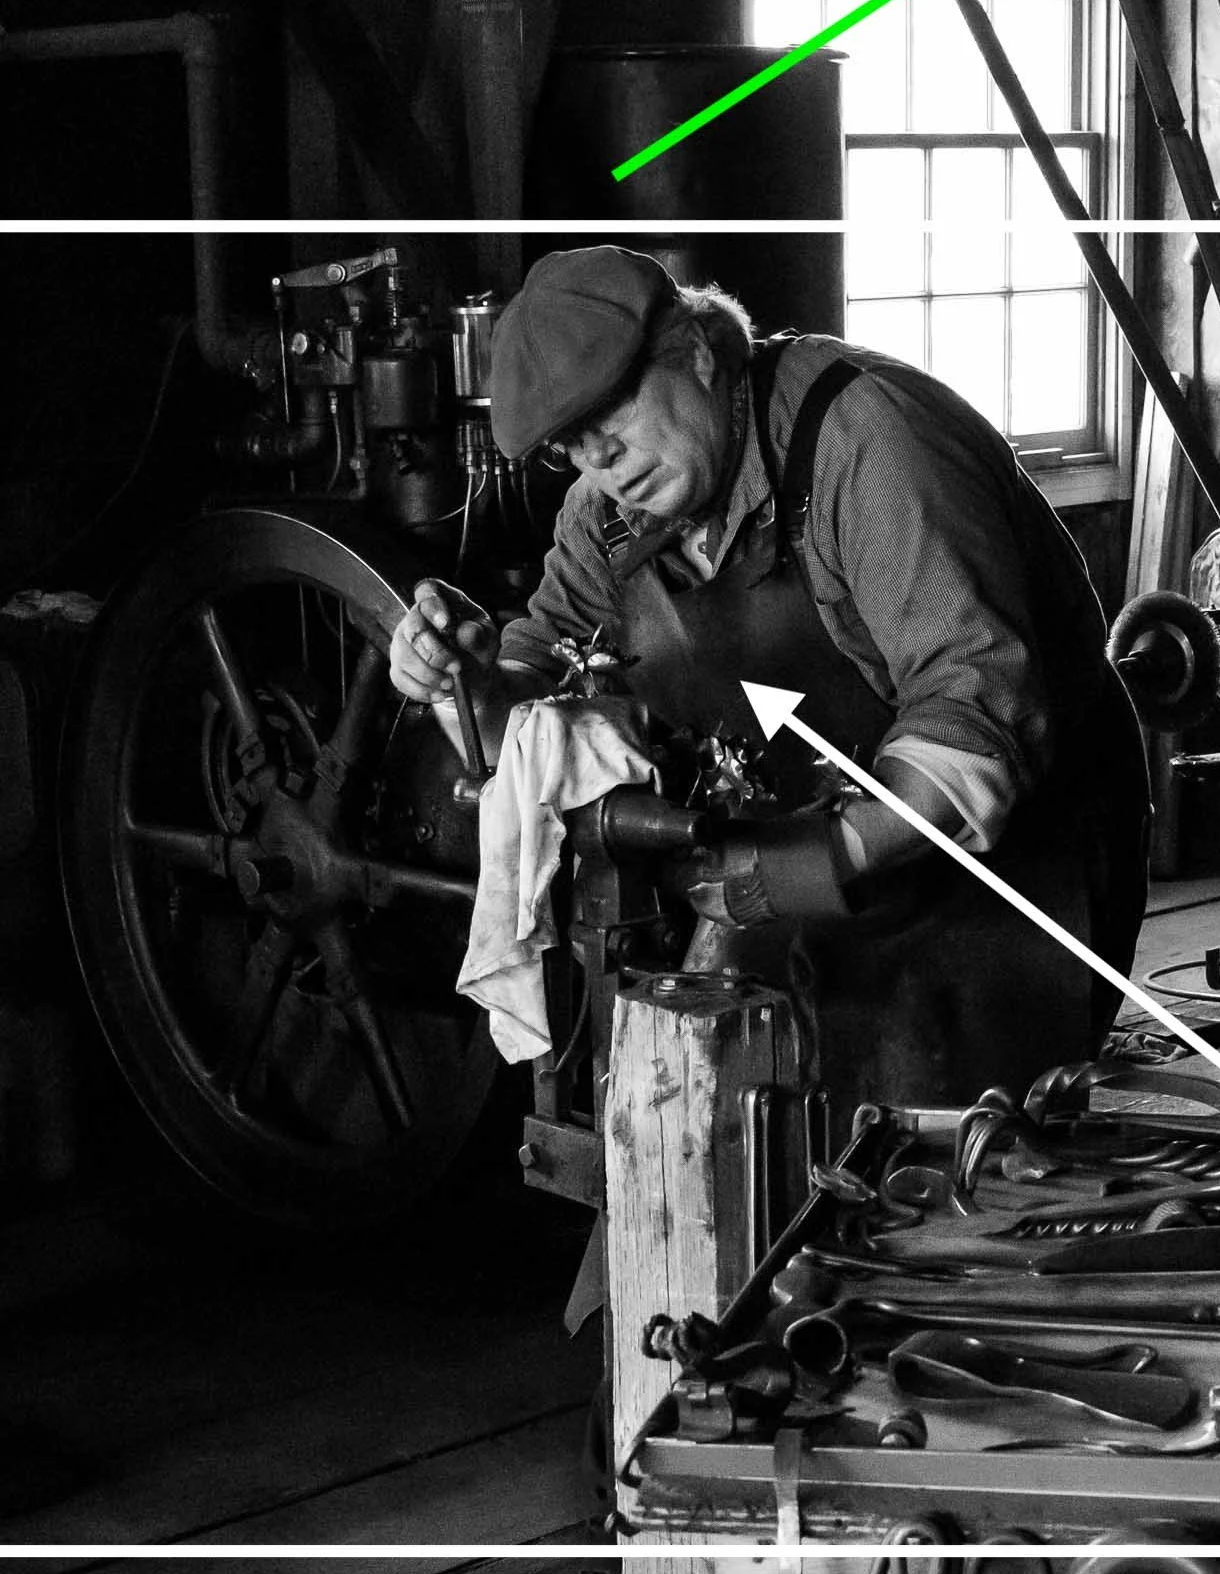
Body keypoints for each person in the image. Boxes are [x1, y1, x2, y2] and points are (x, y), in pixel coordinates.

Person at [389, 244, 1151, 1112]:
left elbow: (977, 714)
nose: (602, 457)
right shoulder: (606, 515)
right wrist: (470, 681)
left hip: (1013, 884)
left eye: (614, 411)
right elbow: (531, 721)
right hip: (799, 882)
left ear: (697, 352)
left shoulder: (865, 442)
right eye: (573, 444)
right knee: (733, 1164)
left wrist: (805, 862)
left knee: (938, 1196)